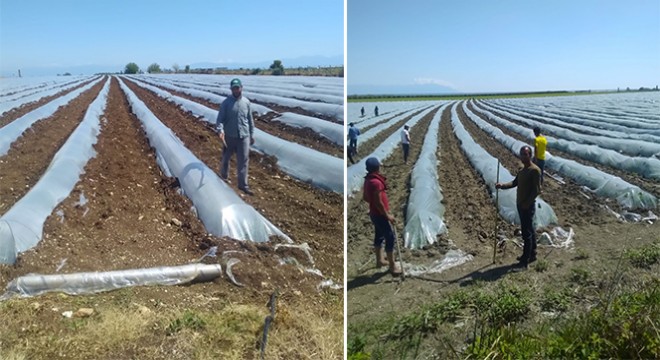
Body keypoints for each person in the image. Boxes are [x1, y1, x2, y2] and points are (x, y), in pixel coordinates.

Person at [496, 146, 541, 268]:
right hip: (520, 204)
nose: (523, 156)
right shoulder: (522, 170)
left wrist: (527, 203)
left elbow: (537, 190)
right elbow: (515, 183)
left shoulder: (534, 170)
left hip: (527, 206)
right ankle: (532, 253)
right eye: (521, 154)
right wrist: (502, 186)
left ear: (530, 155)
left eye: (525, 154)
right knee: (529, 229)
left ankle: (524, 261)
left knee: (526, 233)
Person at [216, 78, 255, 195]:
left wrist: (251, 134)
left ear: (241, 88)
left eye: (237, 88)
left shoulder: (246, 102)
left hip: (244, 136)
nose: (236, 90)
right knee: (225, 158)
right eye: (234, 88)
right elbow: (220, 119)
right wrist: (220, 130)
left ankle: (243, 185)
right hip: (229, 136)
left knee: (243, 161)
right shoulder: (226, 103)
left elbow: (250, 120)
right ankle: (224, 177)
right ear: (231, 89)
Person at [363, 157, 402, 276]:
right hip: (380, 215)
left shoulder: (368, 180)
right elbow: (379, 202)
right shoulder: (376, 182)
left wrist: (373, 207)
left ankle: (379, 260)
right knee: (390, 238)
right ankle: (392, 266)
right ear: (377, 167)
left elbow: (366, 197)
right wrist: (387, 215)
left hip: (375, 214)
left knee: (379, 236)